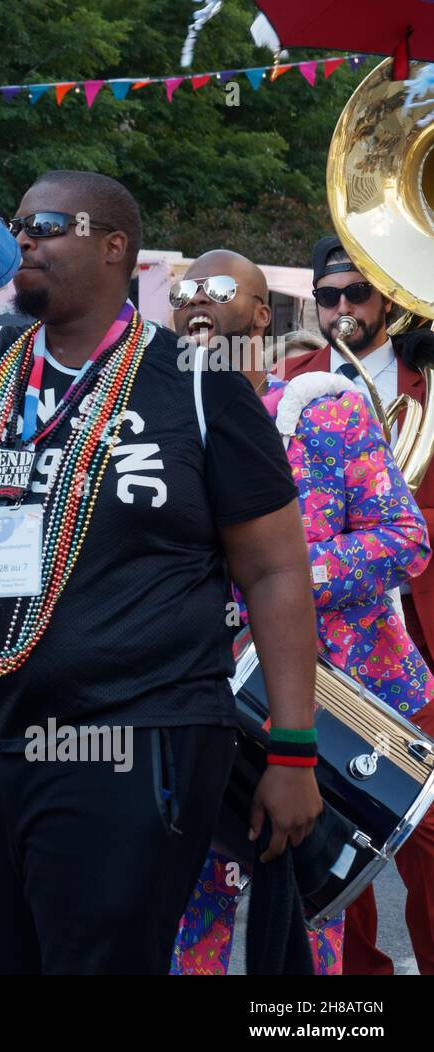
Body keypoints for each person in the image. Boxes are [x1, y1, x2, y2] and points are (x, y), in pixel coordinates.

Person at [0, 170, 323, 974]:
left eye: (47, 223)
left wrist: (293, 751)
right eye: (19, 223)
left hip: (130, 742)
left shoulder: (200, 384)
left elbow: (277, 570)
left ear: (114, 249)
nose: (23, 237)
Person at [170, 249, 432, 974]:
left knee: (308, 922)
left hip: (329, 710)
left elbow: (405, 541)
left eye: (217, 289)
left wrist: (284, 575)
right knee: (192, 916)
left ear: (260, 315)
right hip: (204, 708)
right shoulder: (155, 426)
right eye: (182, 291)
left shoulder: (322, 409)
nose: (195, 302)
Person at [285, 234, 434, 975]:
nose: (341, 308)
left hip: (422, 638)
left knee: (431, 834)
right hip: (334, 654)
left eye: (356, 294)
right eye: (328, 295)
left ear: (387, 298)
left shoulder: (428, 380)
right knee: (343, 834)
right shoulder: (287, 382)